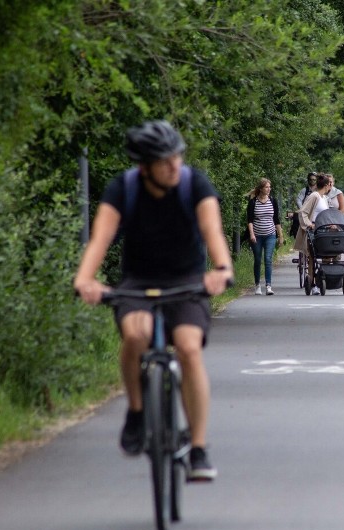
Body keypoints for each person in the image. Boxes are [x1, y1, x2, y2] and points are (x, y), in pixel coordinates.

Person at [74, 120, 233, 481]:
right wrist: (85, 279)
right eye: (164, 161)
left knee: (189, 348)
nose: (174, 165)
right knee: (136, 335)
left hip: (186, 281)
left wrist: (221, 268)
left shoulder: (194, 184)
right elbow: (100, 239)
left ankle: (198, 447)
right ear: (144, 167)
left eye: (176, 156)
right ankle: (136, 410)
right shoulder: (124, 188)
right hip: (138, 282)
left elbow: (213, 231)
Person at [295, 173, 332, 295]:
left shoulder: (324, 198)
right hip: (314, 230)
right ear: (326, 185)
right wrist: (309, 224)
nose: (331, 187)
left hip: (323, 229)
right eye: (330, 184)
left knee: (327, 254)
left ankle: (323, 278)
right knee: (312, 257)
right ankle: (313, 283)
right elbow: (303, 212)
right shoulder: (314, 196)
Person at [246, 177, 284, 295]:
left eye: (269, 187)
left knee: (268, 259)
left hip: (270, 234)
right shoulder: (253, 202)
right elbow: (250, 220)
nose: (269, 189)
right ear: (261, 189)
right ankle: (257, 285)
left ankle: (268, 285)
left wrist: (281, 236)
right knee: (258, 260)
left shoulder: (273, 201)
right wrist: (252, 234)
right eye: (266, 187)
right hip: (257, 235)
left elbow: (276, 219)